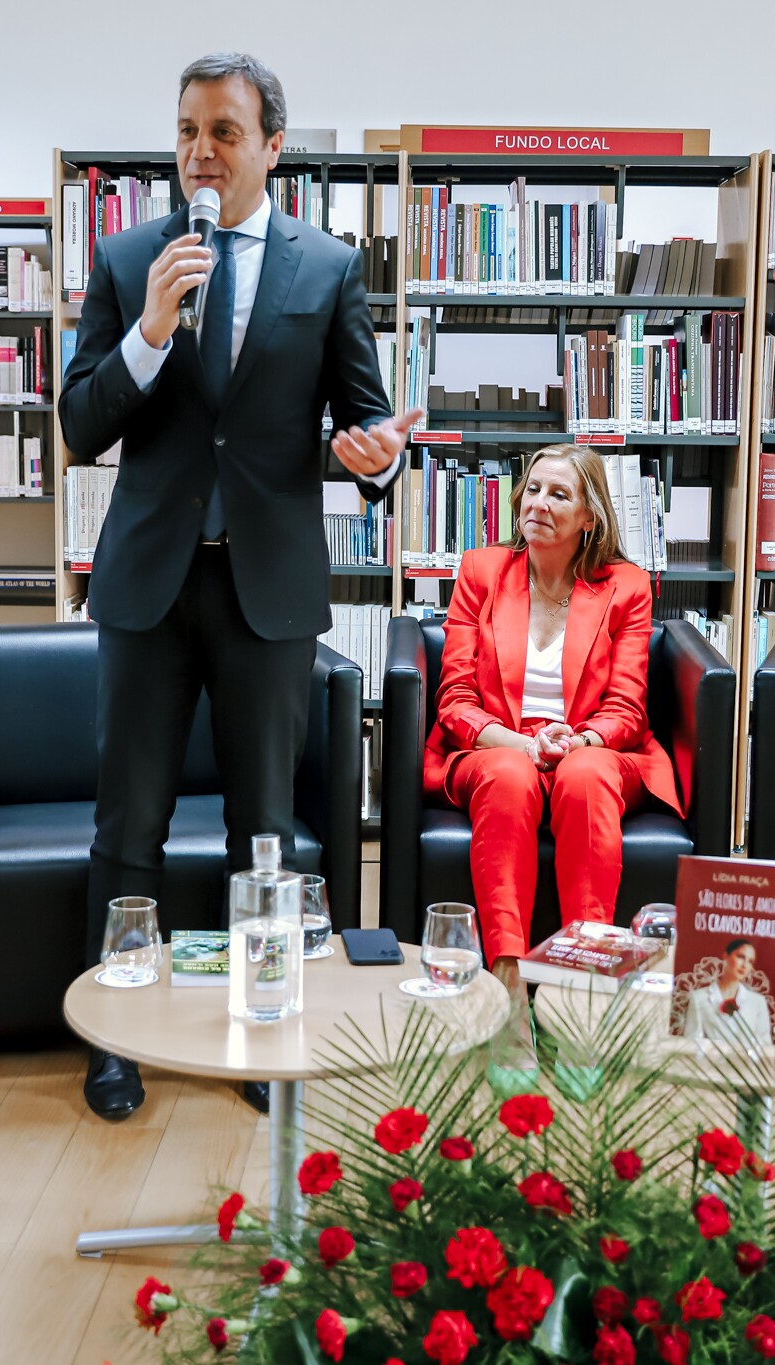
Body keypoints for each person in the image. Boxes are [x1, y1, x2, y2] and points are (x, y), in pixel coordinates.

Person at [59, 53, 421, 1121]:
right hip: (147, 587)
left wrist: (375, 459)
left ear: (272, 146)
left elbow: (367, 417)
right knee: (128, 822)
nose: (199, 154)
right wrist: (150, 330)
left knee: (264, 829)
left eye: (223, 131)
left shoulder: (326, 267)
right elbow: (82, 427)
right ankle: (114, 1039)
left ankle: (262, 1034)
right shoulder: (131, 260)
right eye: (184, 132)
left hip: (267, 590)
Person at [423, 445, 681, 1047]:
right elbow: (456, 700)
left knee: (587, 775)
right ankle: (508, 990)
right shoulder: (482, 572)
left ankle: (579, 990)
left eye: (559, 494)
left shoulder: (626, 587)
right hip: (495, 744)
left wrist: (580, 739)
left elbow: (625, 707)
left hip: (588, 744)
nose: (538, 503)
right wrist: (522, 744)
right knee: (511, 776)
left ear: (590, 517)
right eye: (533, 489)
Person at [680, 938, 775, 1045]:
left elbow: (765, 1044)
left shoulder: (757, 1002)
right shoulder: (698, 998)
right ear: (726, 956)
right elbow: (691, 1041)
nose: (744, 965)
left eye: (750, 961)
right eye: (740, 957)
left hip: (745, 1061)